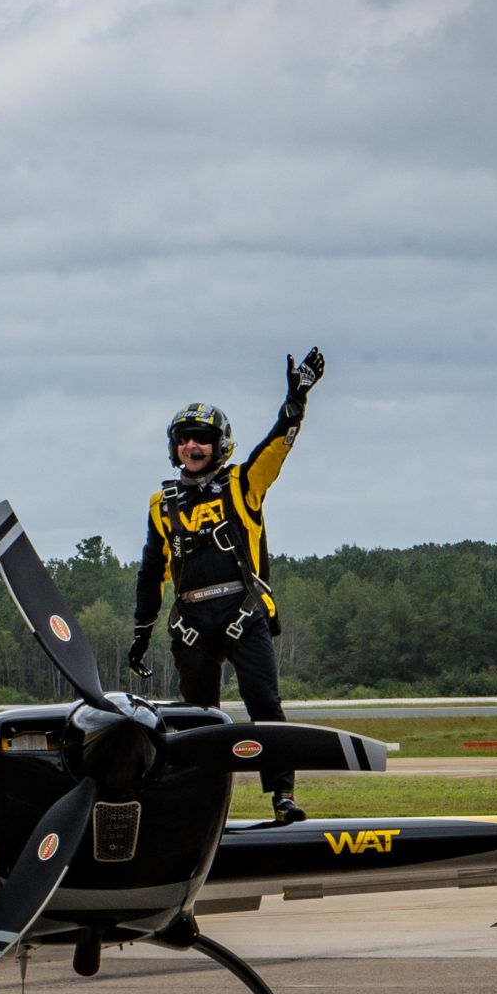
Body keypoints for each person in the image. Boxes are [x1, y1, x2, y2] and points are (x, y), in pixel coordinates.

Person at [128, 346, 324, 823]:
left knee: (265, 705)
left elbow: (278, 444)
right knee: (199, 721)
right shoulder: (162, 504)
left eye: (202, 440)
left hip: (243, 614)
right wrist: (141, 631)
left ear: (221, 446)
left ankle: (282, 795)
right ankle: (200, 805)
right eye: (184, 440)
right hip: (192, 622)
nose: (192, 448)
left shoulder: (243, 486)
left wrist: (295, 401)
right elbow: (151, 572)